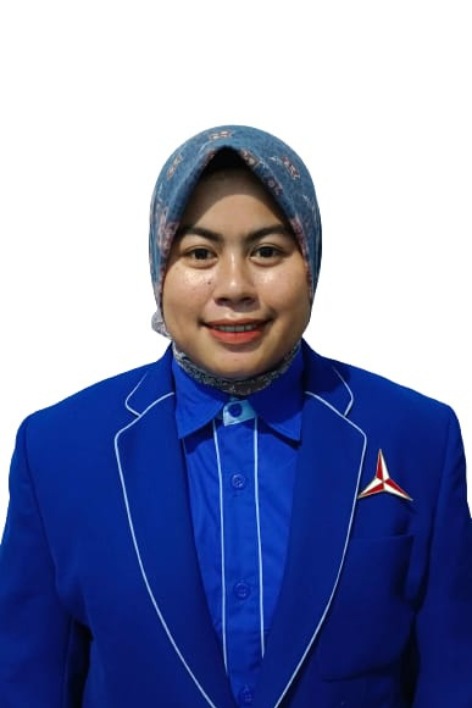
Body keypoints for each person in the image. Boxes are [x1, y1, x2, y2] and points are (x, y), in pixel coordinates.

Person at [0, 125, 471, 708]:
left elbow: (454, 678)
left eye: (266, 251)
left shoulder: (417, 438)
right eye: (200, 253)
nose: (234, 286)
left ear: (310, 263)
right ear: (160, 269)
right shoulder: (59, 451)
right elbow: (27, 682)